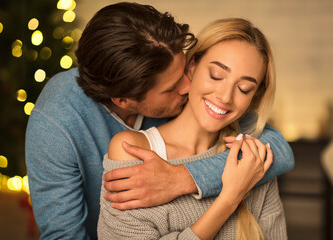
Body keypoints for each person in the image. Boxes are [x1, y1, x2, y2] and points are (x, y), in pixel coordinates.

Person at [25, 2, 293, 239]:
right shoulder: (56, 123)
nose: (189, 86)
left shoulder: (195, 93)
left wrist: (183, 178)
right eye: (173, 86)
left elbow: (276, 149)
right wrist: (228, 197)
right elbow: (64, 235)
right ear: (124, 100)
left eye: (186, 68)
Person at [98, 17, 287, 239]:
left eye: (244, 89)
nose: (225, 97)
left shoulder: (251, 159)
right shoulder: (131, 150)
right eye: (216, 75)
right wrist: (229, 198)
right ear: (192, 66)